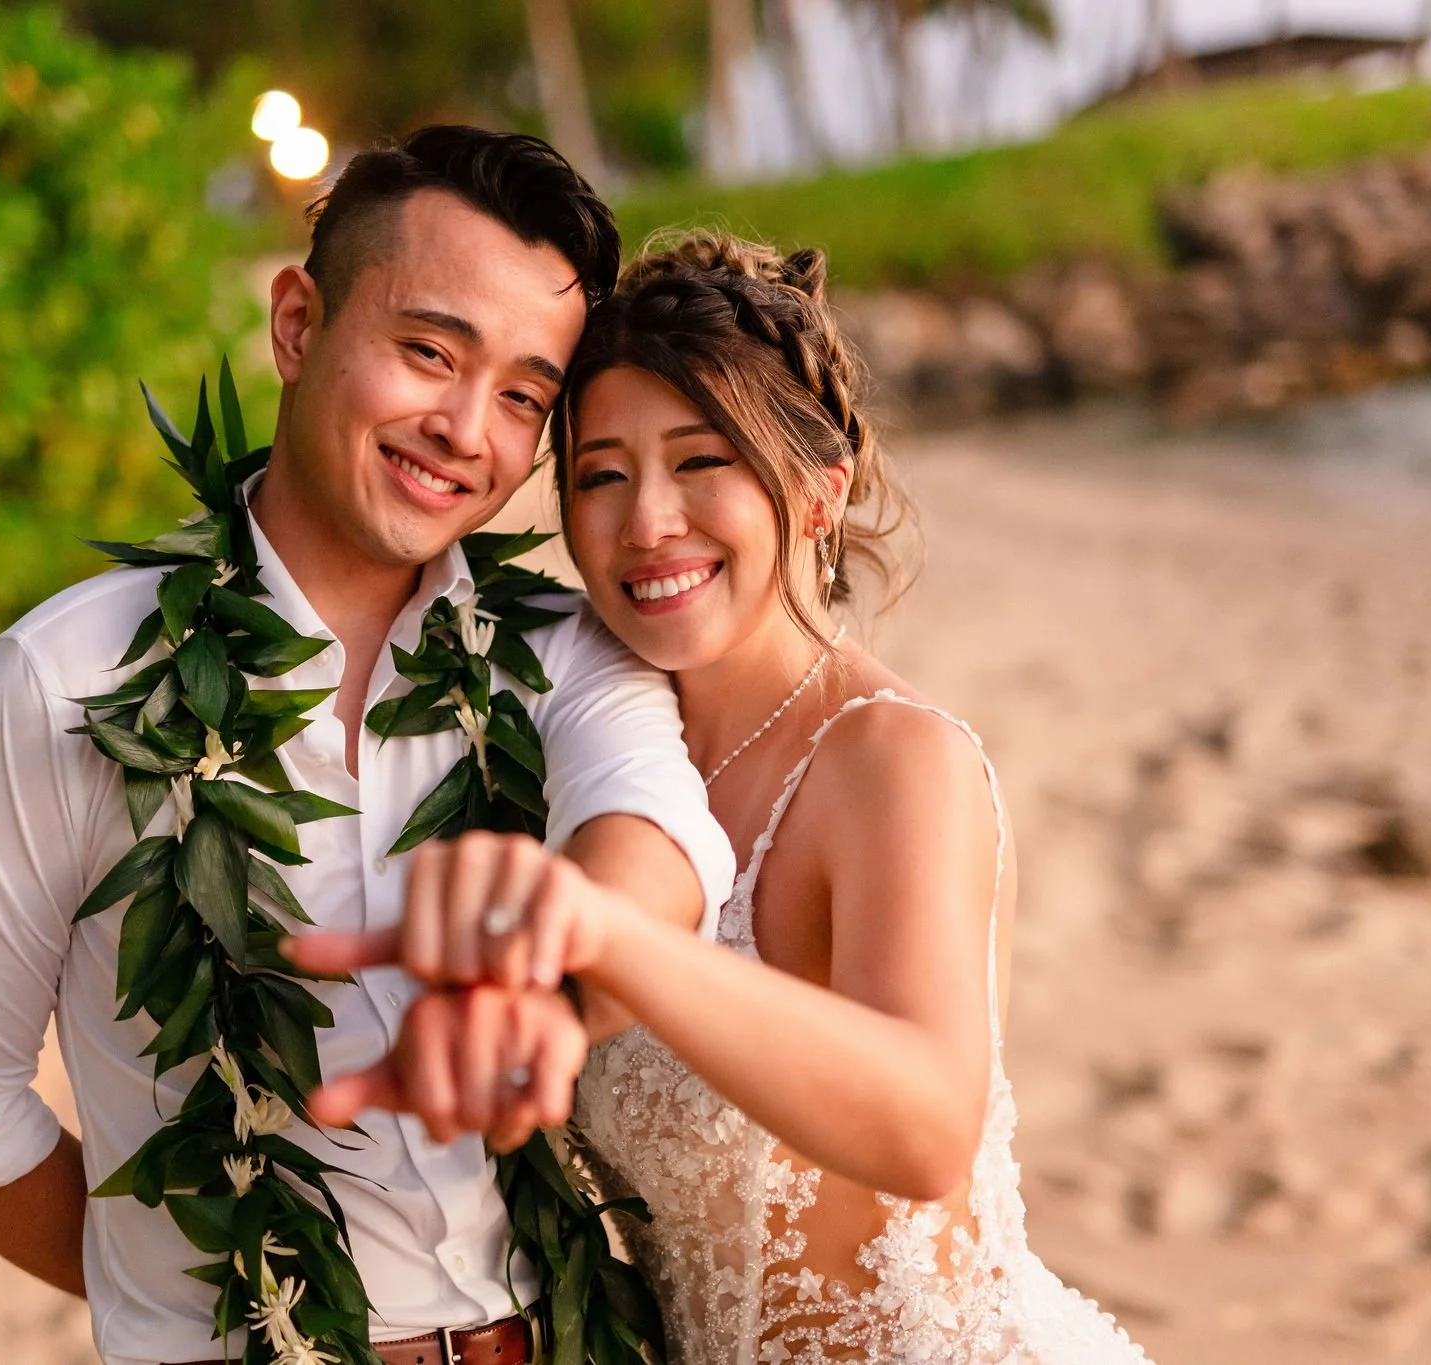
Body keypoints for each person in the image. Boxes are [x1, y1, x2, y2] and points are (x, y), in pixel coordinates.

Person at [0, 127, 736, 1365]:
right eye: (427, 351)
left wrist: (563, 981)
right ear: (298, 323)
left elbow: (653, 834)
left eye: (522, 396)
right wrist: (195, 1299)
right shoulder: (63, 684)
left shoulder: (560, 646)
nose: (466, 429)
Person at [295, 234, 1154, 1363]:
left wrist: (611, 934)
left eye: (700, 463)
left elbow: (927, 1124)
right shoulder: (594, 755)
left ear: (814, 494)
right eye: (600, 474)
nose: (646, 522)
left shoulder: (892, 759)